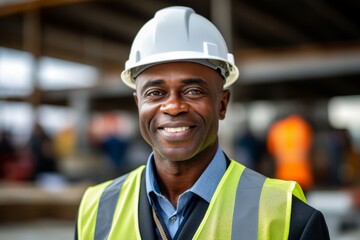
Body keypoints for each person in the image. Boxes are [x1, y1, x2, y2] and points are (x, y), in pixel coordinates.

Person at [76, 6, 329, 239]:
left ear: (222, 104)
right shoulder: (97, 210)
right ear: (138, 104)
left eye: (193, 91)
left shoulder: (288, 217)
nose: (173, 107)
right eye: (155, 93)